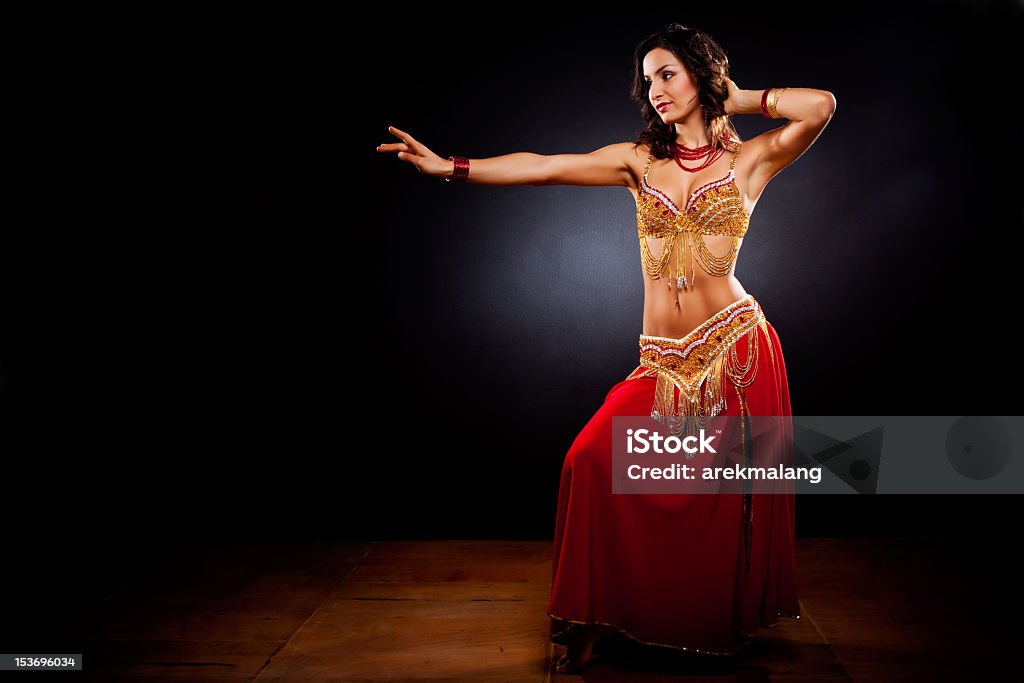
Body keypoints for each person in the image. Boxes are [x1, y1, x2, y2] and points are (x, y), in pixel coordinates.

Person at [376, 22, 835, 675]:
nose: (655, 90)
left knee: (711, 506)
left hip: (735, 351)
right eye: (647, 80)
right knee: (589, 460)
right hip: (664, 362)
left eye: (668, 73)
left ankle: (697, 620)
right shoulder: (638, 162)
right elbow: (545, 167)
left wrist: (734, 97)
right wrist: (451, 165)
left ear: (700, 75)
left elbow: (820, 106)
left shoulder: (748, 160)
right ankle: (588, 616)